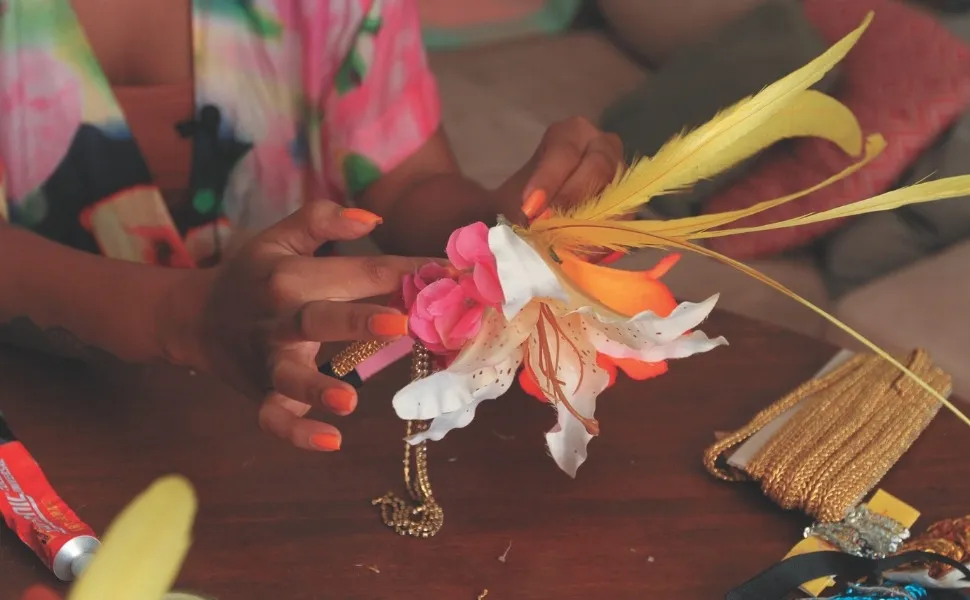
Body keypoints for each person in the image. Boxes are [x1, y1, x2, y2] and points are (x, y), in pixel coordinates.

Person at [0, 0, 623, 451]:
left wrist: (505, 229)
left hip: (264, 445)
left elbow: (407, 184)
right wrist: (178, 314)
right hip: (32, 428)